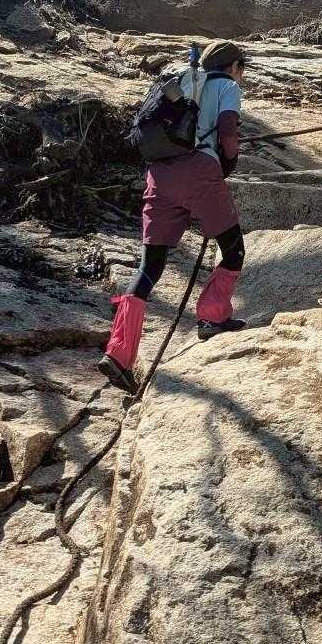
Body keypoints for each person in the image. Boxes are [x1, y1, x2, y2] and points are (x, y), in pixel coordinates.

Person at [98, 40, 248, 394]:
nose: (242, 76)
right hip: (199, 172)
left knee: (149, 267)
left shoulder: (180, 81)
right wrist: (228, 161)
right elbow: (227, 129)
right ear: (234, 67)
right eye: (242, 69)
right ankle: (212, 317)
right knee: (233, 249)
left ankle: (118, 354)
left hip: (159, 174)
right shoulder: (227, 86)